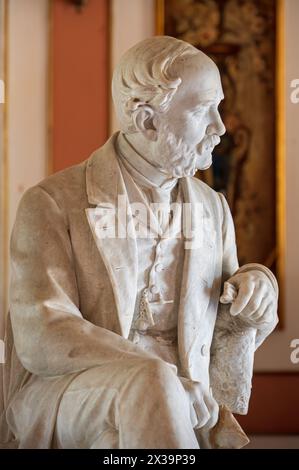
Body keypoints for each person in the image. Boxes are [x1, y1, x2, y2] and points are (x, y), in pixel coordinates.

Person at [0, 36, 278, 449]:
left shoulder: (211, 207)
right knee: (152, 384)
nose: (221, 128)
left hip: (190, 402)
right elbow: (43, 332)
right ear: (147, 120)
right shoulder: (53, 203)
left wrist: (257, 289)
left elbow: (221, 322)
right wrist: (160, 375)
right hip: (73, 392)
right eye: (204, 110)